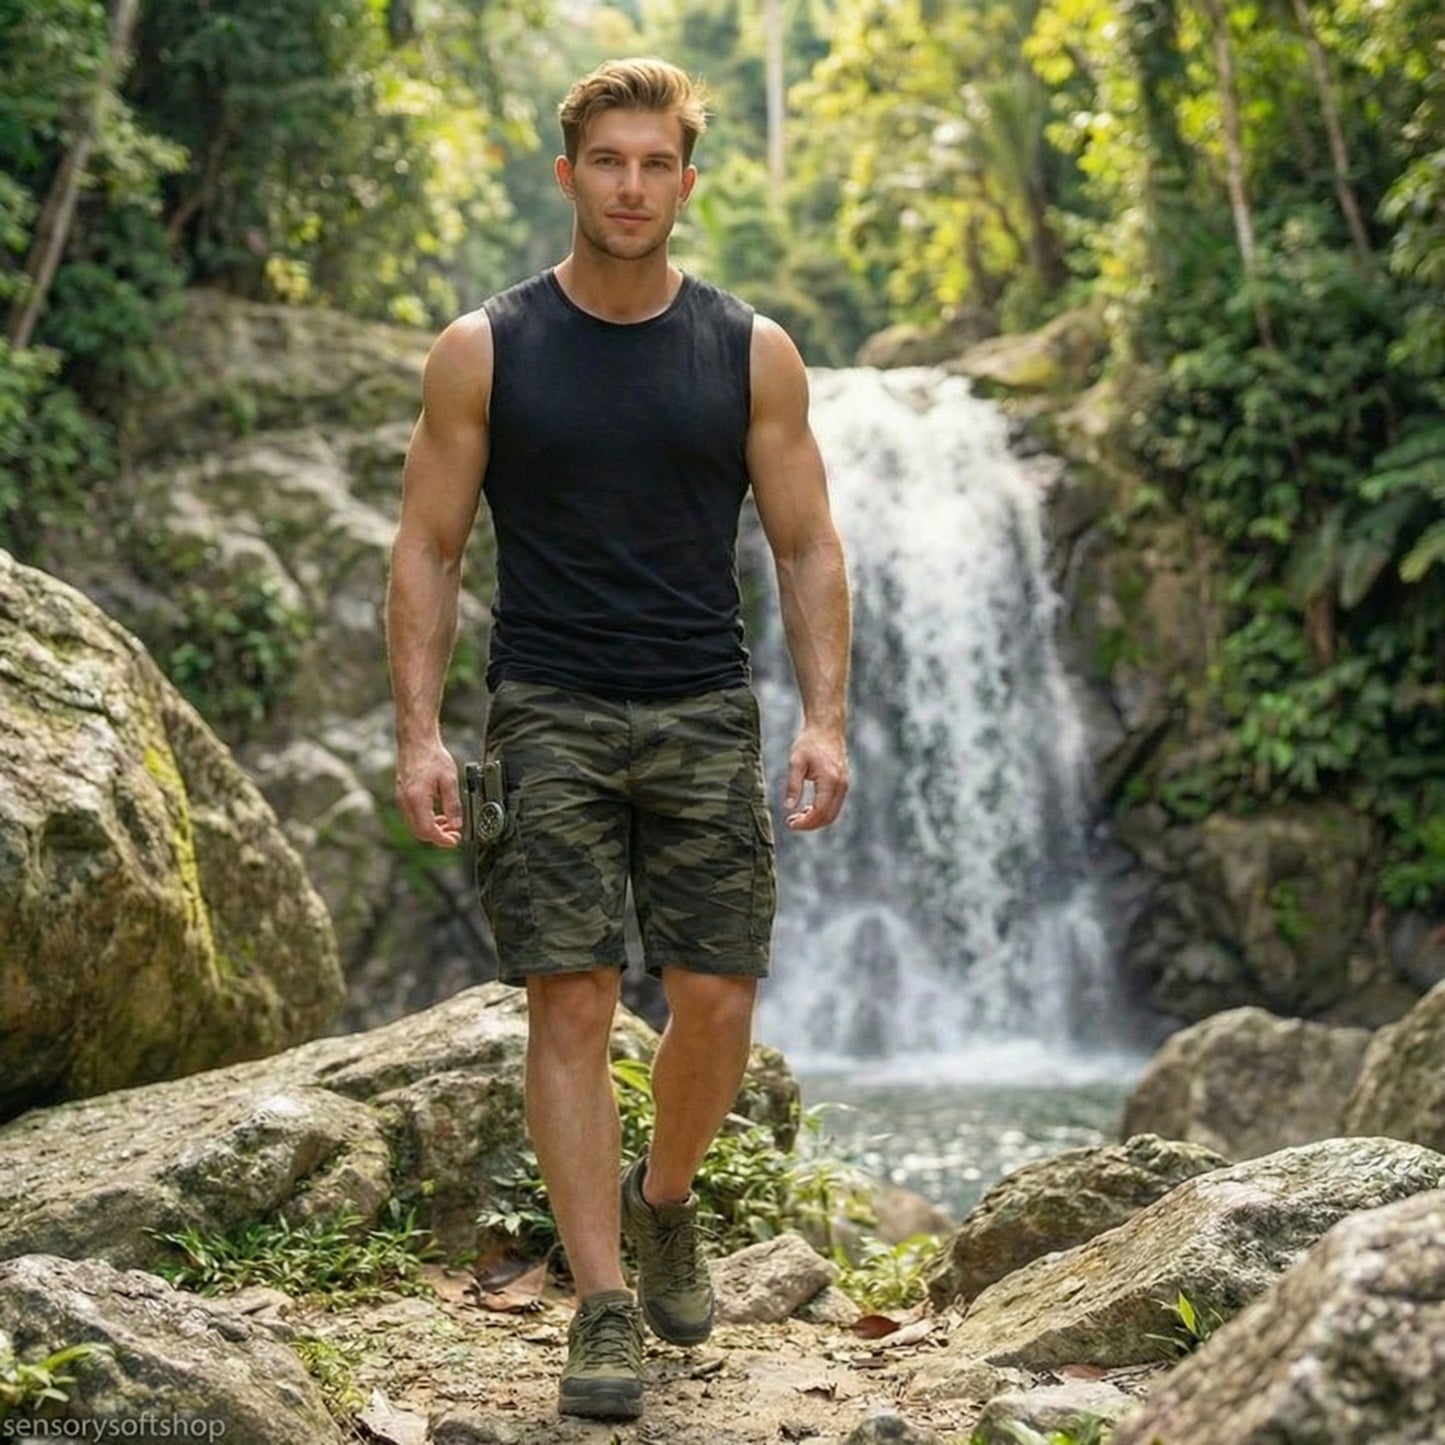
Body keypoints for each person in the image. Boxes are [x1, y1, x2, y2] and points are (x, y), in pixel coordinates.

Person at [386, 56, 851, 1422]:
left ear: (686, 181)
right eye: (608, 162)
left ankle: (664, 1200)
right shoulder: (486, 347)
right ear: (566, 176)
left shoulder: (748, 349)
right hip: (546, 707)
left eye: (655, 164)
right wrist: (419, 731)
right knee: (573, 999)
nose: (632, 185)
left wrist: (823, 714)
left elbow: (809, 538)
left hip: (705, 703)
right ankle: (598, 1303)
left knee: (715, 999)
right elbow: (425, 541)